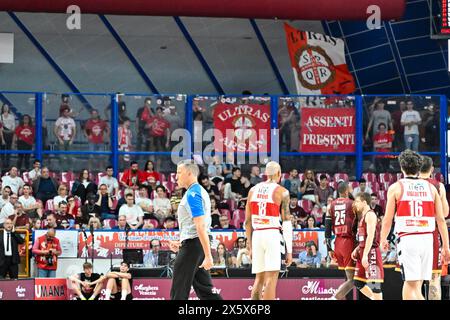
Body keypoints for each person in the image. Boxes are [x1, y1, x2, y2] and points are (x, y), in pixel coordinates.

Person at [380, 150, 450, 300]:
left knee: (410, 285)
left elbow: (387, 219)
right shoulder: (431, 188)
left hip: (409, 239)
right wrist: (446, 246)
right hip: (428, 240)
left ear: (402, 167)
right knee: (416, 285)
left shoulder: (396, 187)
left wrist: (383, 239)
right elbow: (441, 220)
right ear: (419, 168)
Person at [168, 160, 222, 300]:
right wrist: (182, 241)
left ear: (189, 173)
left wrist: (208, 255)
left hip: (194, 245)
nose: (176, 176)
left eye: (179, 172)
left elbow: (200, 226)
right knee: (205, 290)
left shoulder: (193, 194)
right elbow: (195, 226)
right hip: (194, 244)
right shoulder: (195, 192)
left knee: (179, 290)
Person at [245, 161, 293, 300]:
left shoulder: (252, 190)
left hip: (257, 234)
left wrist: (250, 245)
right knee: (271, 278)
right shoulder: (282, 192)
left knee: (259, 279)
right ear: (279, 174)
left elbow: (247, 221)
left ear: (266, 174)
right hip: (272, 234)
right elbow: (287, 223)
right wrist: (289, 250)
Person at [419, 156, 450, 300]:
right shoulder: (438, 186)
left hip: (412, 234)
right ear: (432, 169)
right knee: (434, 279)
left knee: (412, 283)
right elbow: (444, 214)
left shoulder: (406, 185)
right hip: (431, 234)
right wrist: (446, 246)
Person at [326, 181, 356, 300]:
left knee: (348, 278)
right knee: (353, 280)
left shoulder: (330, 205)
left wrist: (329, 248)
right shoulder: (353, 204)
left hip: (337, 242)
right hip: (348, 242)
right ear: (346, 191)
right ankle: (333, 298)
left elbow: (327, 229)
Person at [351, 192, 384, 300]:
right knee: (358, 283)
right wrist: (358, 248)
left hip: (371, 252)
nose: (355, 204)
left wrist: (365, 254)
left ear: (364, 202)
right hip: (363, 250)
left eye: (357, 202)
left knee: (375, 286)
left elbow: (371, 236)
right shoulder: (363, 216)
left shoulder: (370, 215)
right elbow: (364, 237)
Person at [54, 106, 76, 171]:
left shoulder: (71, 120)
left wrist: (72, 139)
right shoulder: (59, 120)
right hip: (61, 140)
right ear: (63, 112)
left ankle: (70, 170)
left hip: (69, 140)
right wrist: (59, 139)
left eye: (67, 112)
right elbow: (55, 130)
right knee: (61, 156)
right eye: (65, 112)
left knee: (70, 156)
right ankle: (62, 170)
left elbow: (74, 130)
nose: (66, 113)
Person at [0, 103, 16, 169]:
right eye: (4, 107)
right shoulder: (0, 116)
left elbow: (13, 125)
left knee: (9, 148)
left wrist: (11, 130)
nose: (6, 108)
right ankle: (3, 162)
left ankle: (8, 162)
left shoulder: (11, 116)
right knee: (2, 148)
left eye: (7, 107)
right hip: (2, 134)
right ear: (2, 108)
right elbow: (0, 127)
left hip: (10, 133)